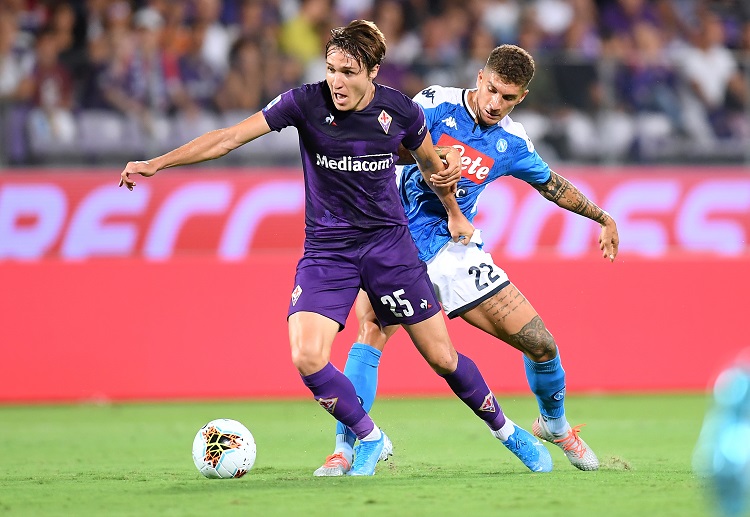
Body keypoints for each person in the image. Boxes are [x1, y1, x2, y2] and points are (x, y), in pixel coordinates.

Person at [119, 21, 552, 476]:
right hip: (328, 250)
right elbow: (229, 137)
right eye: (330, 69)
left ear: (373, 72)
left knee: (443, 358)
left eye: (348, 71)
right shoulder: (304, 102)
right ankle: (369, 438)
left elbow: (432, 167)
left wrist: (454, 210)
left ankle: (508, 432)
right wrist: (157, 163)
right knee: (307, 356)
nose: (336, 82)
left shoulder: (401, 111)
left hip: (389, 247)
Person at [314, 44, 620, 476]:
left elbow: (550, 184)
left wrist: (602, 216)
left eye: (508, 97)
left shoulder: (512, 142)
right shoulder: (434, 104)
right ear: (480, 78)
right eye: (491, 89)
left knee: (541, 343)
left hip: (453, 249)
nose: (495, 103)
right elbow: (383, 145)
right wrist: (432, 159)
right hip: (392, 238)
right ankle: (345, 449)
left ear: (521, 98)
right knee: (371, 329)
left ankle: (554, 424)